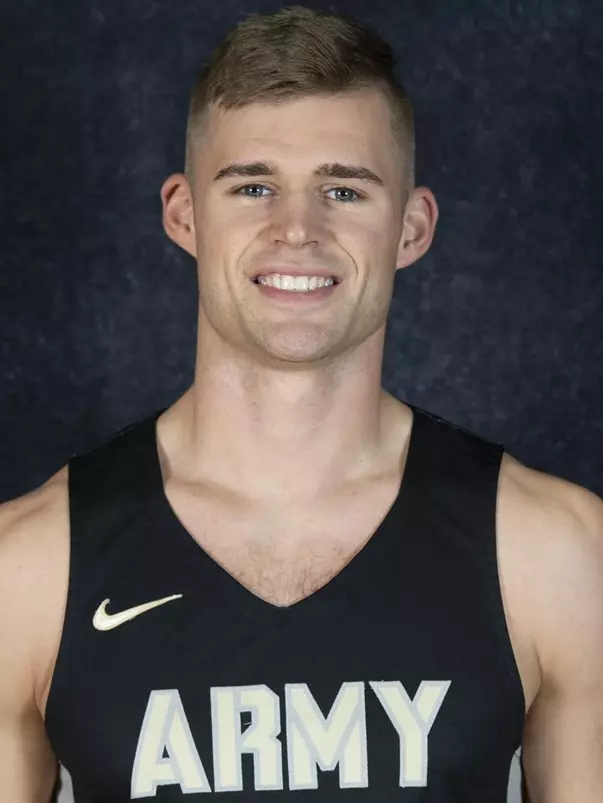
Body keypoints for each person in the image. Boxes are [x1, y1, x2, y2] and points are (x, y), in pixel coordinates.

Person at [1, 5, 602, 802]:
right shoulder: (28, 570)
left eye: (343, 191)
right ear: (184, 213)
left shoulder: (554, 553)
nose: (296, 230)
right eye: (253, 186)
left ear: (411, 227)